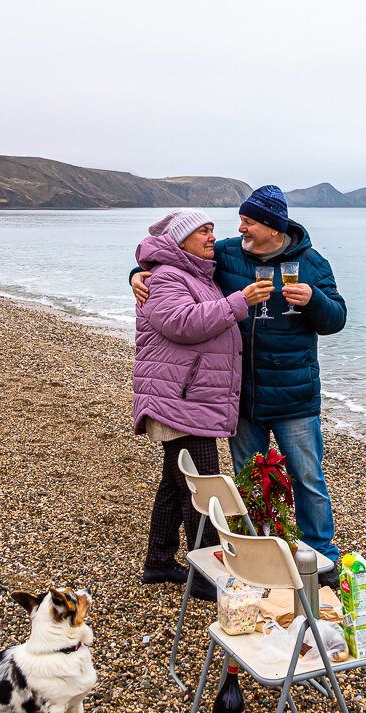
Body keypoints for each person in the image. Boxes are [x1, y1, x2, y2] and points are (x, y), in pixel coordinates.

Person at [133, 186, 347, 586]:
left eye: (248, 221)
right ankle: (259, 548)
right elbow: (176, 267)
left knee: (308, 479)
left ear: (272, 226)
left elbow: (336, 319)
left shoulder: (312, 263)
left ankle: (323, 555)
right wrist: (137, 274)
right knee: (248, 478)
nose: (240, 227)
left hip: (294, 393)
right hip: (241, 395)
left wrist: (315, 300)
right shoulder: (228, 254)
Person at [132, 208, 273, 600]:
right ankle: (211, 575)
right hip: (179, 400)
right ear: (180, 241)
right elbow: (183, 323)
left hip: (185, 397)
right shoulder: (166, 278)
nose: (212, 237)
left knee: (175, 485)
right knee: (205, 492)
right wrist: (239, 301)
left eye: (212, 229)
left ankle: (159, 563)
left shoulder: (191, 273)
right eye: (202, 231)